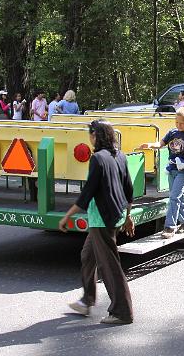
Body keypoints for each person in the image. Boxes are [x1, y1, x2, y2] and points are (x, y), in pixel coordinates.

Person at [59, 119, 135, 325]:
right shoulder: (120, 156)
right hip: (113, 215)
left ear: (96, 136)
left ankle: (122, 312)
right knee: (87, 256)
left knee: (109, 266)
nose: (89, 138)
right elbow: (129, 189)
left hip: (102, 219)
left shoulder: (98, 159)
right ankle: (87, 300)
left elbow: (87, 193)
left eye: (90, 134)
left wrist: (67, 216)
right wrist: (128, 216)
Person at [140, 107, 184, 238]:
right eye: (176, 122)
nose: (178, 125)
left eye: (181, 123)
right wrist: (149, 145)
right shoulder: (172, 132)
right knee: (178, 197)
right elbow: (161, 144)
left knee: (174, 197)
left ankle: (170, 227)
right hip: (172, 169)